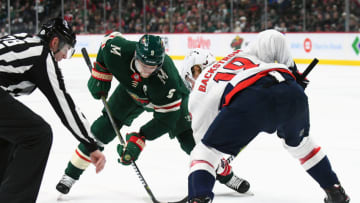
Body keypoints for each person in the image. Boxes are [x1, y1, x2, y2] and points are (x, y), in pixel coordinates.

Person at [56, 32, 250, 196]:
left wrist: (140, 138)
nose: (147, 71)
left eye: (153, 67)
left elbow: (166, 120)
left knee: (192, 144)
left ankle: (226, 174)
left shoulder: (168, 82)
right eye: (143, 65)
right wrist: (100, 75)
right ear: (135, 55)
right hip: (129, 94)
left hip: (166, 104)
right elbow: (107, 42)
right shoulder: (119, 49)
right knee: (101, 129)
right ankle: (70, 175)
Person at [182, 29, 350, 203]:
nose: (189, 83)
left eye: (189, 77)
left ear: (196, 69)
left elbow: (207, 151)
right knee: (301, 145)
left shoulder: (199, 90)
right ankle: (335, 191)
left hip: (251, 99)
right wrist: (293, 71)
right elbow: (274, 37)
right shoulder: (239, 54)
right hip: (291, 90)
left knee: (203, 152)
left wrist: (209, 174)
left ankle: (198, 199)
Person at [0, 18, 106, 203]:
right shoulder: (43, 55)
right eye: (66, 49)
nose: (65, 56)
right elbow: (65, 106)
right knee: (38, 135)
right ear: (54, 42)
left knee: (9, 136)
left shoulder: (23, 40)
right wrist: (90, 143)